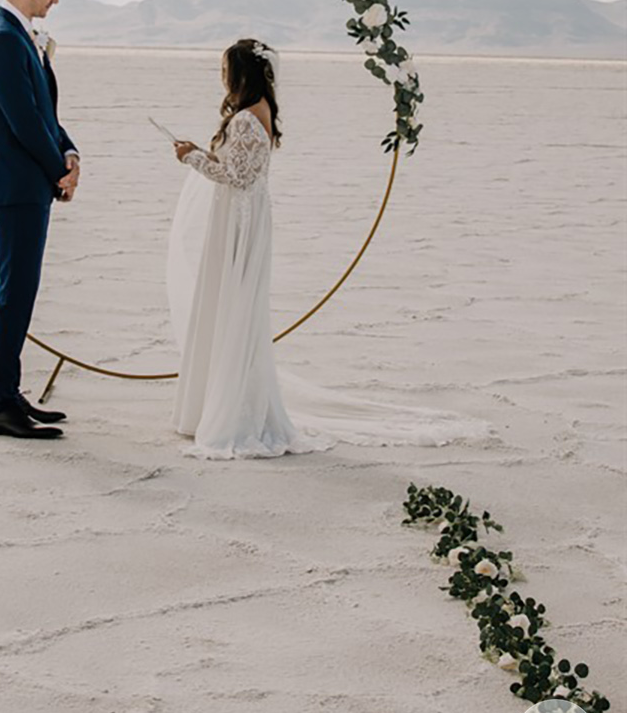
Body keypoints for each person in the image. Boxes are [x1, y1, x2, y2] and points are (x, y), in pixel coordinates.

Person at [167, 39, 492, 458]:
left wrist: (191, 157)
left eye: (226, 69)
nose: (222, 77)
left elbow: (235, 176)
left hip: (239, 223)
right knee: (235, 309)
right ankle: (222, 402)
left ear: (241, 74)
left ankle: (232, 415)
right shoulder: (258, 112)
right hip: (244, 218)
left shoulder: (248, 120)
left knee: (234, 307)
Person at [0, 0, 80, 441]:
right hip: (14, 185)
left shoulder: (20, 38)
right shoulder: (1, 41)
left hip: (28, 182)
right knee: (15, 294)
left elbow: (45, 114)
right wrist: (59, 169)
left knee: (22, 292)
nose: (56, 0)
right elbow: (22, 123)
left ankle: (9, 393)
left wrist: (70, 151)